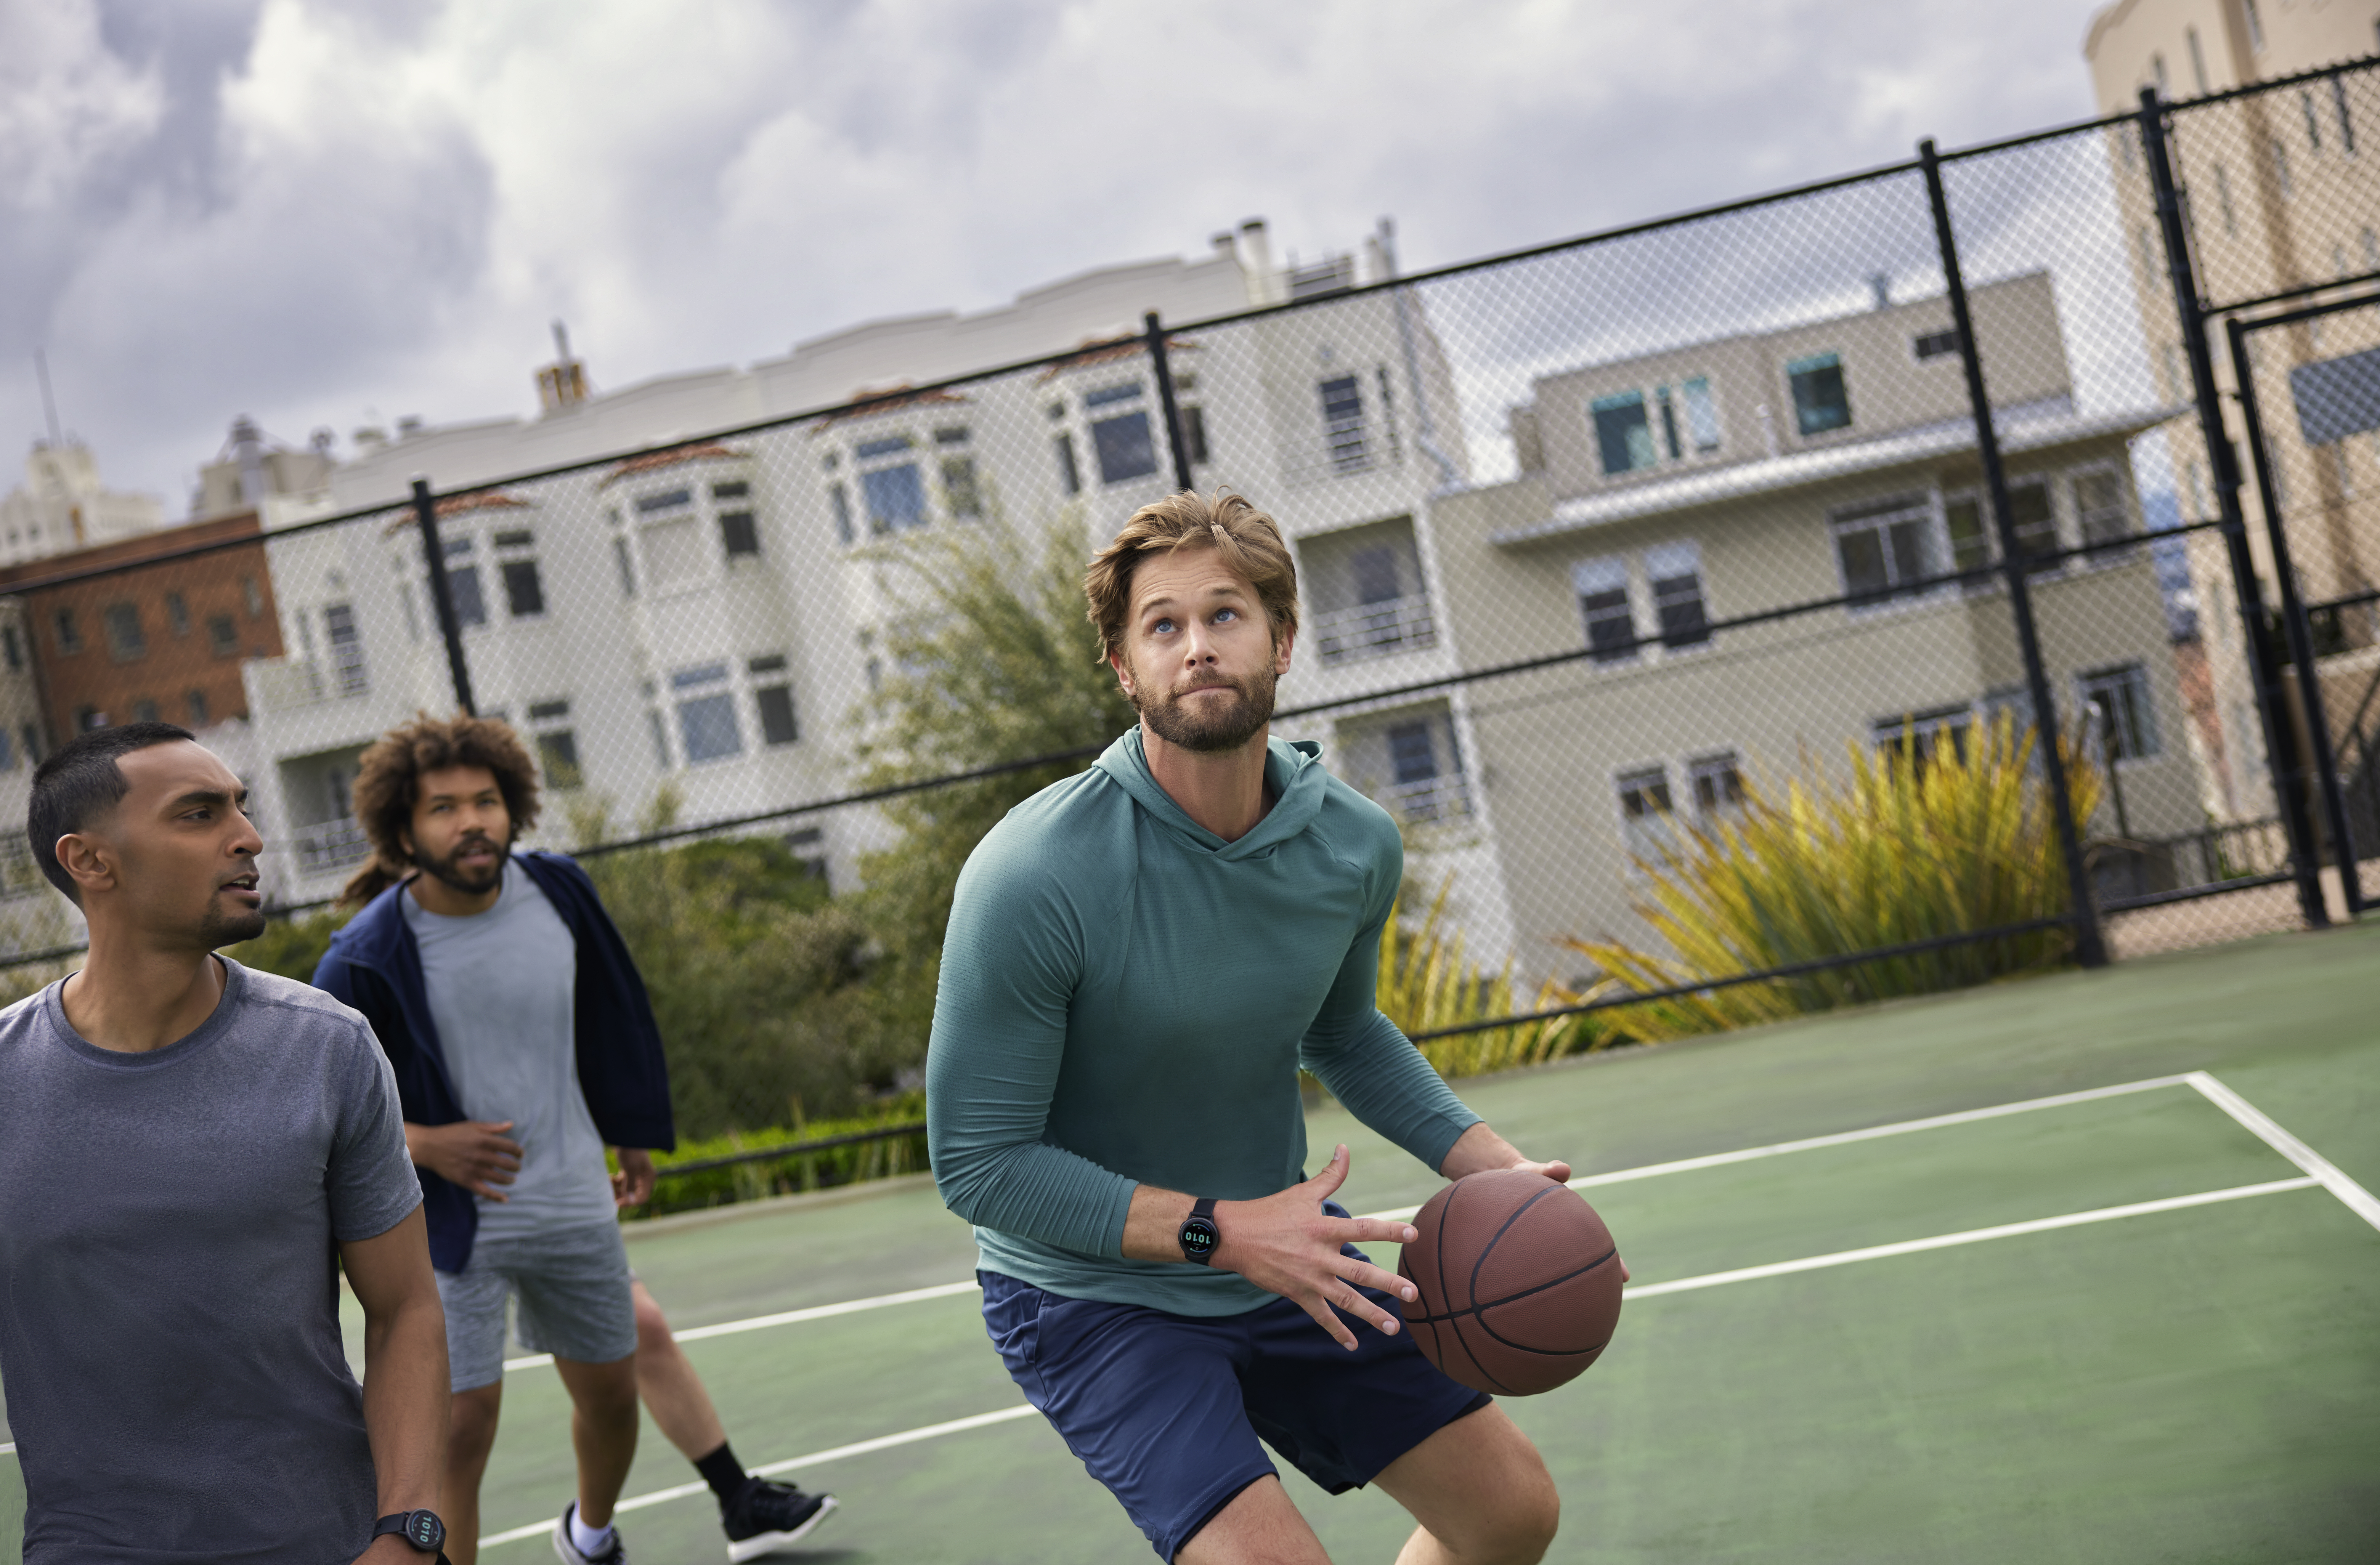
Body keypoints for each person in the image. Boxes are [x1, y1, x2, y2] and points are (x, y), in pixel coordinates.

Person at [929, 492, 1614, 1564]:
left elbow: (1343, 1032)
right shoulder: (1032, 876)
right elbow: (980, 1165)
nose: (1197, 647)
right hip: (1092, 1295)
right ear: (1124, 668)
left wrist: (1502, 1172)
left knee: (1511, 1514)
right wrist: (1229, 1233)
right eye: (1163, 626)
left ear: (1282, 640)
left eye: (1226, 615)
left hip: (1285, 1249)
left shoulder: (1351, 845)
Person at [312, 714, 836, 1565]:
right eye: (444, 808)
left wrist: (630, 1132)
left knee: (612, 1400)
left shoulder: (559, 891)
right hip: (450, 1231)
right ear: (404, 831)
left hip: (571, 1204)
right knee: (462, 1430)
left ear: (514, 807)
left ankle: (588, 1537)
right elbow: (323, 1111)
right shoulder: (364, 958)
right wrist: (429, 1144)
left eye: (486, 801)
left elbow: (611, 1013)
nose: (471, 821)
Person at [0, 723, 450, 1564]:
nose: (249, 836)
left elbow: (406, 1310)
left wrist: (411, 1534)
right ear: (91, 862)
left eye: (241, 806)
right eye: (200, 814)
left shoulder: (329, 1048)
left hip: (327, 1540)